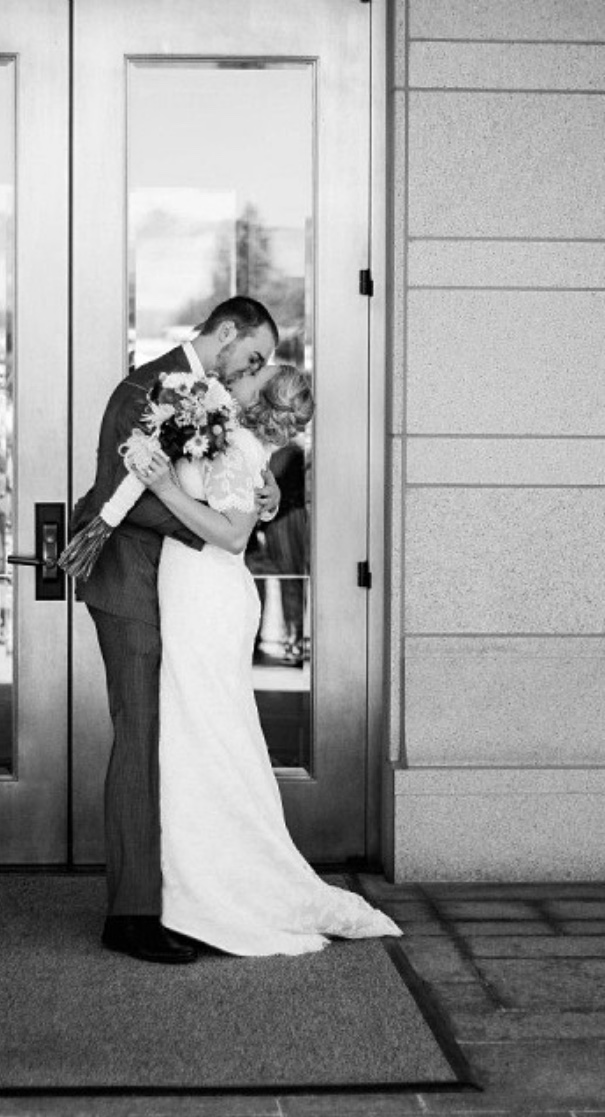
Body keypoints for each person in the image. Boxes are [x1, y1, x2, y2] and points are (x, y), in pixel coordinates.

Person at [131, 364, 401, 956]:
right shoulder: (231, 440)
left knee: (208, 738)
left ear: (261, 399)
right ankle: (195, 885)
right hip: (196, 595)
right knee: (203, 736)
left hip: (208, 599)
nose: (241, 379)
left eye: (256, 375)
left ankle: (213, 892)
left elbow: (231, 536)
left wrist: (167, 490)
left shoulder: (239, 449)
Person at [71, 296, 281, 964]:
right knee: (141, 738)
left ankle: (181, 896)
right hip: (130, 585)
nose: (254, 371)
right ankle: (130, 915)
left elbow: (220, 477)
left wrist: (260, 497)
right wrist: (222, 528)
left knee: (174, 740)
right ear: (226, 332)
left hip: (176, 590)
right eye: (253, 356)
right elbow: (122, 494)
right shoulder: (145, 390)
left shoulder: (207, 394)